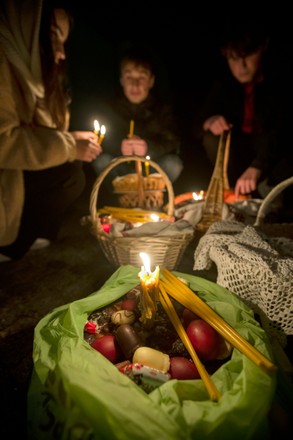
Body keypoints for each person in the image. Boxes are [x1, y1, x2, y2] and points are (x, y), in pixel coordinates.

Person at [0, 0, 102, 261]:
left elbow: (48, 128)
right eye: (54, 34)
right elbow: (4, 141)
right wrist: (69, 145)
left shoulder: (26, 70)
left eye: (64, 40)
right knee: (69, 172)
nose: (62, 51)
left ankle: (27, 235)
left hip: (15, 173)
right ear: (28, 26)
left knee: (70, 170)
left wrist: (70, 138)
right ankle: (11, 245)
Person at [194, 23, 290, 200]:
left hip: (270, 155)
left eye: (247, 56)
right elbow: (197, 123)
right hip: (239, 153)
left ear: (263, 48)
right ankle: (233, 192)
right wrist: (210, 121)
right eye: (234, 59)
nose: (241, 66)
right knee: (211, 138)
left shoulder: (278, 80)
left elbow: (282, 132)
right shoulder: (223, 83)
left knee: (278, 187)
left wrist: (257, 167)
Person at [91, 44, 183, 192]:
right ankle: (123, 198)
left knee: (174, 164)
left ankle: (151, 197)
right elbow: (101, 142)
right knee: (101, 162)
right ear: (121, 80)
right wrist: (119, 147)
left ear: (151, 81)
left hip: (151, 174)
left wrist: (148, 148)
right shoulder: (111, 108)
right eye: (129, 77)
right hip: (121, 173)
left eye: (142, 77)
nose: (135, 85)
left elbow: (173, 141)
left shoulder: (162, 109)